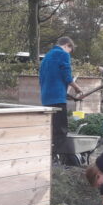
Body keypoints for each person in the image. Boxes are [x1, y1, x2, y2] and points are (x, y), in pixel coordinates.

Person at [39, 36, 83, 164]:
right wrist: (77, 88)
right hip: (57, 98)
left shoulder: (47, 56)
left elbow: (43, 78)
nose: (69, 53)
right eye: (70, 50)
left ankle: (49, 155)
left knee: (50, 128)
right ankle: (59, 158)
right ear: (67, 45)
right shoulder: (63, 54)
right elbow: (67, 77)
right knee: (61, 129)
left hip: (46, 97)